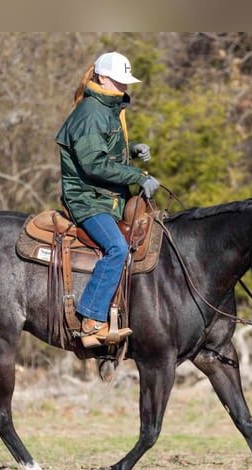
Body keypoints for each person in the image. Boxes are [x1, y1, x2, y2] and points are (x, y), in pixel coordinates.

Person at [55, 51, 159, 348]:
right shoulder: (90, 113)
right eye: (119, 80)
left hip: (105, 198)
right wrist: (138, 177)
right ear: (102, 78)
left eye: (126, 81)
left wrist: (131, 149)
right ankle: (91, 320)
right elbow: (93, 165)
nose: (125, 87)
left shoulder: (106, 109)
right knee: (117, 248)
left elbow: (105, 151)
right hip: (87, 200)